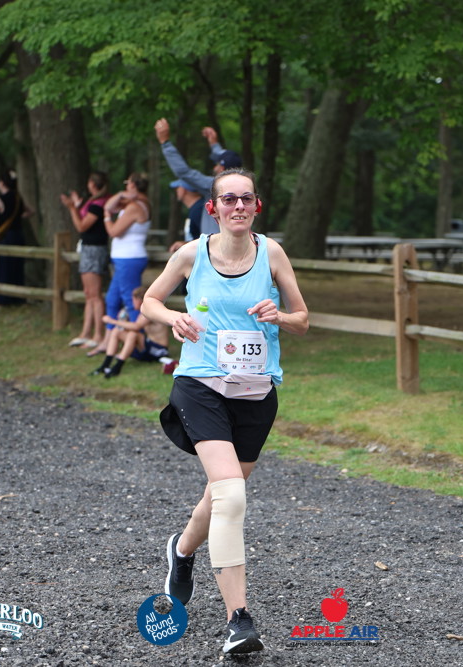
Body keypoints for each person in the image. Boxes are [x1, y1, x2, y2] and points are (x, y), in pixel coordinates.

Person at [141, 168, 309, 655]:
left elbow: (302, 320)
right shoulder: (191, 254)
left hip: (255, 392)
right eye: (228, 199)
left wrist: (280, 315)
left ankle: (181, 550)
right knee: (231, 494)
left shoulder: (272, 253)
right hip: (199, 385)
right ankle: (239, 621)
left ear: (257, 206)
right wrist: (174, 317)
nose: (238, 206)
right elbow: (149, 301)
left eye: (246, 199)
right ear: (212, 208)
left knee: (220, 493)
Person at [154, 118, 242, 237]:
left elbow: (184, 172)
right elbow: (226, 159)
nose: (214, 167)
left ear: (222, 168)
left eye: (217, 164)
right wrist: (214, 144)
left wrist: (165, 143)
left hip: (216, 246)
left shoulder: (216, 186)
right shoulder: (243, 185)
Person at [62, 172, 110, 351]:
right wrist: (77, 204)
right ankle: (85, 332)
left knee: (95, 295)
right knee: (88, 293)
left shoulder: (98, 205)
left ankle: (98, 334)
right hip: (88, 249)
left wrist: (71, 208)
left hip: (95, 250)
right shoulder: (93, 202)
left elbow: (82, 226)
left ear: (93, 184)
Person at [103, 173, 152, 330]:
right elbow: (109, 206)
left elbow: (114, 231)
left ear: (133, 185)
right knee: (112, 299)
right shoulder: (132, 203)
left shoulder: (135, 207)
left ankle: (138, 338)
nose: (126, 186)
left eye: (127, 183)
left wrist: (106, 218)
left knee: (132, 302)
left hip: (129, 259)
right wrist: (120, 195)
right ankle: (110, 337)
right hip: (123, 259)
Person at [94, 285, 171, 378]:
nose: (132, 302)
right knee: (116, 331)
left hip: (159, 351)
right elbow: (132, 326)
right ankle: (105, 365)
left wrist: (112, 321)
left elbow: (136, 327)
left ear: (139, 299)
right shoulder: (144, 311)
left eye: (133, 299)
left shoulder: (151, 310)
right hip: (148, 347)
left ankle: (118, 366)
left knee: (133, 334)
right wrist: (122, 320)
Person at [0, 170, 29, 307]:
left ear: (2, 183)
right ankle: (18, 298)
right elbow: (29, 211)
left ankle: (4, 299)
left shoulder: (0, 199)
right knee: (17, 267)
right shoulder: (18, 198)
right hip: (18, 234)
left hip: (5, 236)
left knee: (4, 267)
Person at [167, 179, 206, 254]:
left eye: (177, 188)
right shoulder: (197, 207)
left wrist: (185, 244)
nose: (176, 191)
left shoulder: (199, 209)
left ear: (183, 190)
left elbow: (208, 238)